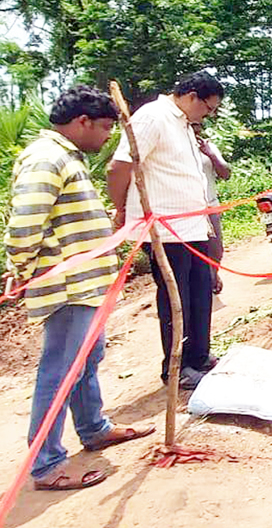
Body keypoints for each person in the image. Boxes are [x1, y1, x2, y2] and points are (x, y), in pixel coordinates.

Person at [3, 85, 156, 491]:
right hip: (69, 287)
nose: (108, 136)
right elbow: (25, 224)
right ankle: (47, 465)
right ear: (82, 121)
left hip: (89, 286)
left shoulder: (66, 157)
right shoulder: (46, 158)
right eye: (105, 127)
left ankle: (93, 428)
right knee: (59, 373)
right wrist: (20, 268)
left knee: (86, 362)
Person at [108, 71, 224, 390]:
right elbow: (119, 167)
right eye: (208, 108)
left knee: (201, 292)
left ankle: (200, 357)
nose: (208, 115)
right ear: (191, 97)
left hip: (193, 227)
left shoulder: (184, 125)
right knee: (177, 299)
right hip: (166, 231)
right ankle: (177, 367)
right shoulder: (153, 117)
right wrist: (121, 210)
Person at [192, 121, 231, 294]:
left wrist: (210, 154)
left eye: (198, 125)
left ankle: (213, 275)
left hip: (210, 206)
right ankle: (203, 286)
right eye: (192, 125)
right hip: (187, 210)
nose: (196, 128)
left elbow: (226, 173)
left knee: (215, 249)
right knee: (194, 251)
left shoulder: (207, 146)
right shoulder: (174, 148)